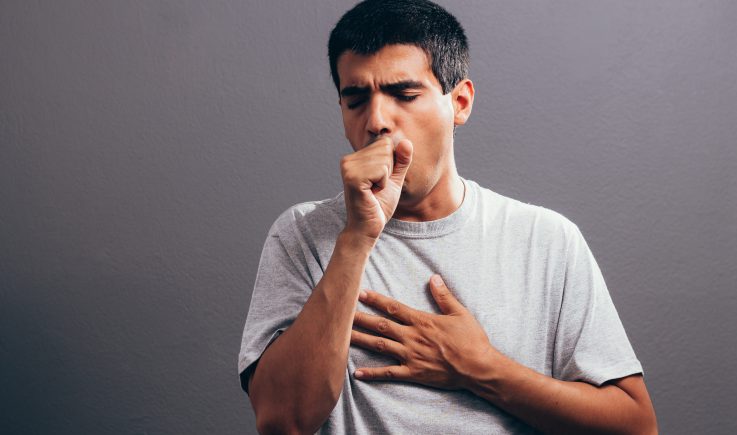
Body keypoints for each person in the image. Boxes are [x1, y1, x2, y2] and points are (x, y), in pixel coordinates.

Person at [238, 0, 658, 433]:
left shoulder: (546, 239)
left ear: (459, 102)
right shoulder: (303, 235)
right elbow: (281, 422)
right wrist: (357, 238)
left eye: (404, 94)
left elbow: (636, 426)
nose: (377, 120)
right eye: (356, 99)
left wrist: (481, 368)